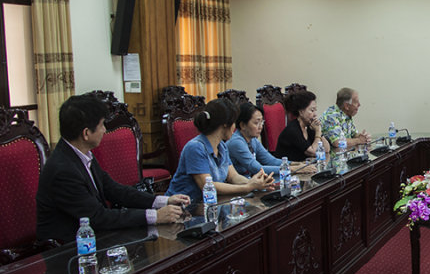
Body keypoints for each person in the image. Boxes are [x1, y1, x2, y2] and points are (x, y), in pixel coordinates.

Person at [36, 94, 189, 243]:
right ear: (86, 133)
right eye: (102, 125)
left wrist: (162, 201)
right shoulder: (63, 170)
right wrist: (155, 216)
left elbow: (114, 189)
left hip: (95, 236)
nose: (104, 130)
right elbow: (97, 217)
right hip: (68, 248)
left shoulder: (82, 154)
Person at [165, 98, 276, 202]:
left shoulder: (222, 146)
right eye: (233, 123)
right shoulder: (195, 148)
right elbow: (209, 186)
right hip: (184, 207)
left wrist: (255, 183)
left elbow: (233, 177)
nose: (234, 128)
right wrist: (248, 187)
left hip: (211, 204)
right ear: (225, 124)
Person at [228, 103, 316, 177]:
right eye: (256, 123)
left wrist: (296, 164)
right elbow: (256, 168)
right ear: (243, 125)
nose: (260, 127)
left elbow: (270, 160)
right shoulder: (236, 142)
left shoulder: (252, 140)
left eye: (262, 122)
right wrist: (293, 169)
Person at [274, 90, 330, 161]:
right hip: (289, 169)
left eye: (315, 110)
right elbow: (313, 152)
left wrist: (319, 131)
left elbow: (326, 149)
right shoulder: (293, 130)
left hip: (305, 167)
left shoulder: (309, 126)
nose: (315, 114)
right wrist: (318, 132)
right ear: (301, 112)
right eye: (312, 110)